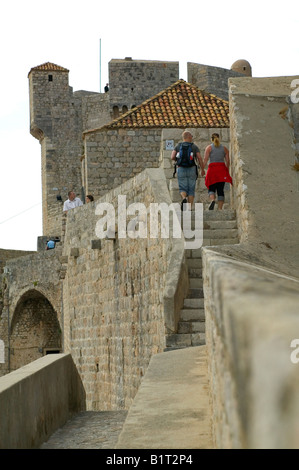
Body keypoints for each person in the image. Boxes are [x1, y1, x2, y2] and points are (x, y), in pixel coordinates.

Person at [171, 131, 205, 210]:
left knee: (182, 187)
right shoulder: (194, 146)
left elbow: (172, 157)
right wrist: (202, 169)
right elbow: (199, 158)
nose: (192, 137)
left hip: (181, 168)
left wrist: (178, 160)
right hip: (192, 168)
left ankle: (184, 198)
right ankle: (189, 208)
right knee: (191, 189)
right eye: (191, 136)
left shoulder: (178, 146)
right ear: (189, 137)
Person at [203, 133, 232, 210]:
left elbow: (205, 160)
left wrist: (202, 169)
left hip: (212, 169)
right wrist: (227, 169)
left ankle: (212, 200)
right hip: (221, 169)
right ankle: (220, 208)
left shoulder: (209, 148)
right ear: (219, 138)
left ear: (211, 139)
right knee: (220, 189)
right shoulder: (224, 148)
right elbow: (228, 161)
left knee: (211, 187)